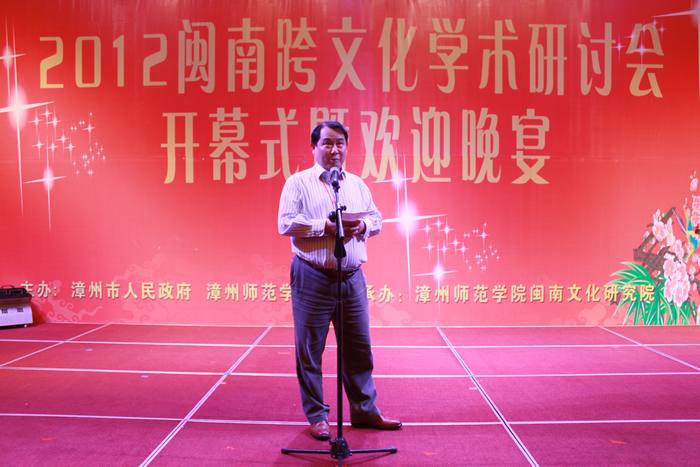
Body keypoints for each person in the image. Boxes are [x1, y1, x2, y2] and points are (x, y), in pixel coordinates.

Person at [277, 120, 402, 441]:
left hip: (352, 277)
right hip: (312, 276)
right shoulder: (298, 183)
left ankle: (364, 410)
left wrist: (364, 227)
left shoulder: (356, 184)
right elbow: (286, 224)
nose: (334, 150)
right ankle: (318, 416)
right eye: (327, 143)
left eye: (340, 143)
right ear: (314, 147)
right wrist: (325, 227)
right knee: (310, 350)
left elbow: (376, 218)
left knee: (359, 348)